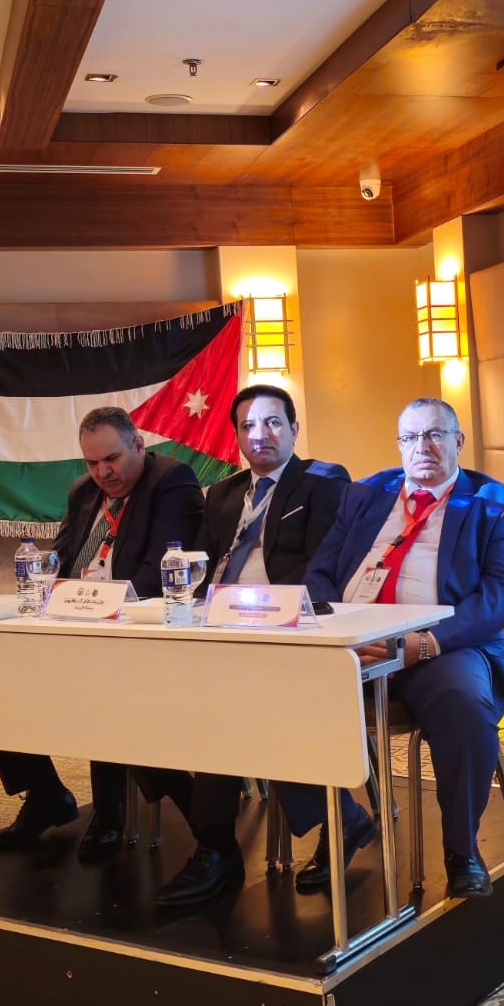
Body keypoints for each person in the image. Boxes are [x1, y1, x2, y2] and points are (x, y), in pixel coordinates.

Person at [276, 398, 504, 900]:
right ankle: (342, 821)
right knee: (270, 695)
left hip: (442, 644)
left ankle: (462, 850)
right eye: (410, 437)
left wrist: (426, 642)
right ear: (398, 445)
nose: (422, 447)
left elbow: (501, 596)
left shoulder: (496, 504)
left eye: (435, 435)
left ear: (458, 441)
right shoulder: (365, 494)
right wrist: (338, 630)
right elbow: (321, 572)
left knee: (465, 709)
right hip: (353, 641)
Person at [151, 384, 350, 906]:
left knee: (228, 702)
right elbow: (202, 565)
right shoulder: (223, 493)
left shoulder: (321, 483)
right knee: (141, 690)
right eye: (247, 426)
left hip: (285, 631)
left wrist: (269, 614)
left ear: (294, 430)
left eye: (272, 423)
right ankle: (342, 818)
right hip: (218, 627)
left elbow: (327, 572)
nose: (259, 434)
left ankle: (215, 848)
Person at [0, 407, 204, 863]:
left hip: (140, 632)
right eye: (92, 463)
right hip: (76, 623)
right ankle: (45, 794)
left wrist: (96, 604)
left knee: (103, 687)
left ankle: (120, 810)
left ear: (138, 445)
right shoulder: (83, 491)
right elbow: (61, 559)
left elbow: (158, 575)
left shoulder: (172, 482)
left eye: (112, 459)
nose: (103, 472)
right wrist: (56, 595)